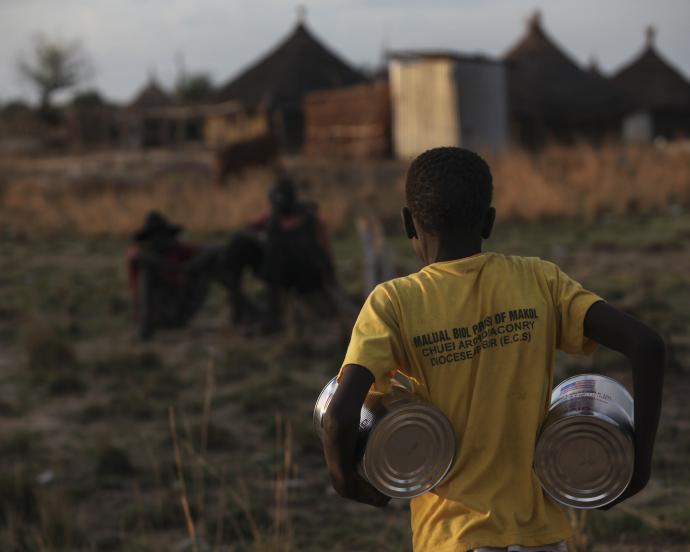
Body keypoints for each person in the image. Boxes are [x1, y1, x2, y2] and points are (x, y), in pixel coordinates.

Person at [322, 147, 665, 551]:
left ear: (408, 223)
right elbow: (647, 345)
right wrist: (638, 469)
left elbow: (339, 416)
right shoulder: (539, 280)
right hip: (540, 536)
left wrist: (349, 485)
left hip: (453, 536)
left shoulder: (393, 304)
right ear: (488, 221)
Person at [222, 175, 337, 333]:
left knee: (274, 251)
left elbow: (319, 252)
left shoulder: (307, 219)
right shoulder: (275, 219)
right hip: (281, 271)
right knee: (238, 245)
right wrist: (256, 237)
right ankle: (239, 309)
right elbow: (250, 229)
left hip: (307, 275)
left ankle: (273, 319)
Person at [127, 211, 208, 339]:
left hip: (177, 306)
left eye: (162, 235)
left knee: (202, 270)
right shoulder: (141, 254)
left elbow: (205, 251)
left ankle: (181, 319)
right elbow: (138, 257)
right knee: (148, 273)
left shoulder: (177, 250)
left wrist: (191, 265)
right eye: (156, 236)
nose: (160, 239)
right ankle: (147, 326)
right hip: (153, 310)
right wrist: (176, 267)